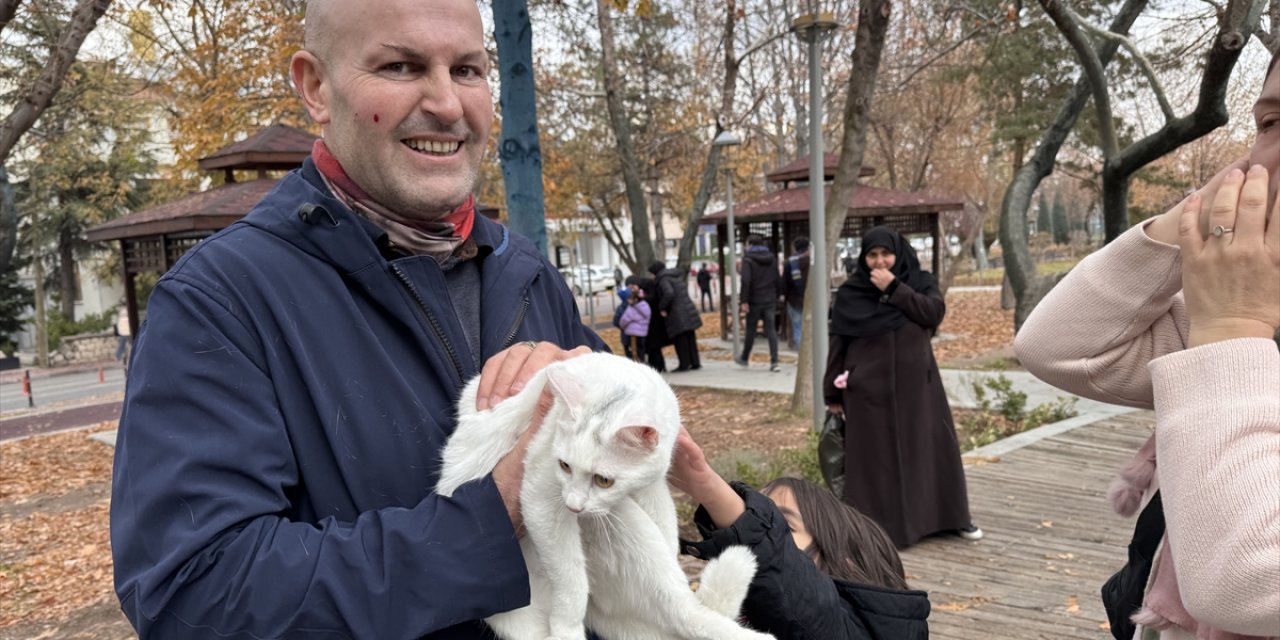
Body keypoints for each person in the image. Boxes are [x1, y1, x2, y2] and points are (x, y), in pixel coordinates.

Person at [108, 1, 608, 637]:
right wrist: (489, 520)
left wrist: (612, 396)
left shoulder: (526, 271)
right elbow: (194, 591)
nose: (448, 105)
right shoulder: (219, 301)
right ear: (316, 87)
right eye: (400, 66)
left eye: (468, 70)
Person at [1014, 53, 1279, 640]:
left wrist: (1234, 323)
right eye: (1271, 122)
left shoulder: (1245, 322)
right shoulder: (1266, 314)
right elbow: (1060, 347)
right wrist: (1187, 225)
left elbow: (1249, 582)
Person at [669, 428, 931, 639]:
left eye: (783, 526)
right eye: (765, 518)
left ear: (844, 560)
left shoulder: (857, 630)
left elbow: (809, 607)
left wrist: (710, 489)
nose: (772, 532)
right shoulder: (741, 613)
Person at [824, 225, 980, 548]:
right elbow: (838, 343)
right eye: (872, 255)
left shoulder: (920, 283)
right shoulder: (852, 294)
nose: (879, 262)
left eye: (886, 254)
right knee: (874, 463)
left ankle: (949, 519)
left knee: (929, 453)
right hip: (867, 393)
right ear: (863, 258)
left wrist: (895, 288)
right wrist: (832, 394)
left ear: (898, 254)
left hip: (918, 392)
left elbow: (933, 313)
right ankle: (875, 531)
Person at [736, 234, 782, 372]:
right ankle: (774, 361)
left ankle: (744, 357)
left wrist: (744, 300)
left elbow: (746, 281)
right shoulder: (772, 259)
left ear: (750, 244)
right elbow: (777, 278)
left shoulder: (748, 259)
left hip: (755, 299)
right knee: (771, 329)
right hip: (770, 298)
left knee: (751, 329)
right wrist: (778, 295)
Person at [649, 260, 702, 371]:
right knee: (690, 338)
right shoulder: (675, 276)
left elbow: (669, 293)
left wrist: (662, 307)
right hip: (687, 310)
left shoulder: (663, 279)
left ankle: (684, 364)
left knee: (681, 339)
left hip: (677, 313)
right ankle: (695, 362)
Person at [783, 236, 810, 348]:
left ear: (795, 248)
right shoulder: (814, 261)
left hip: (794, 300)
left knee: (798, 327)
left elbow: (784, 283)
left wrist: (785, 298)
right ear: (808, 248)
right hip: (813, 300)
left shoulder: (789, 263)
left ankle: (801, 353)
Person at [617, 281, 650, 365]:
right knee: (641, 349)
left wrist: (622, 326)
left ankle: (638, 364)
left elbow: (625, 319)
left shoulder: (632, 308)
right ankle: (642, 362)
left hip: (633, 333)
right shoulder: (645, 305)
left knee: (634, 351)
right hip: (642, 332)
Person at [612, 285, 632, 359]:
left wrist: (622, 326)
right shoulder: (636, 304)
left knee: (629, 354)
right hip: (639, 335)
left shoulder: (620, 308)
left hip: (625, 335)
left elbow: (615, 321)